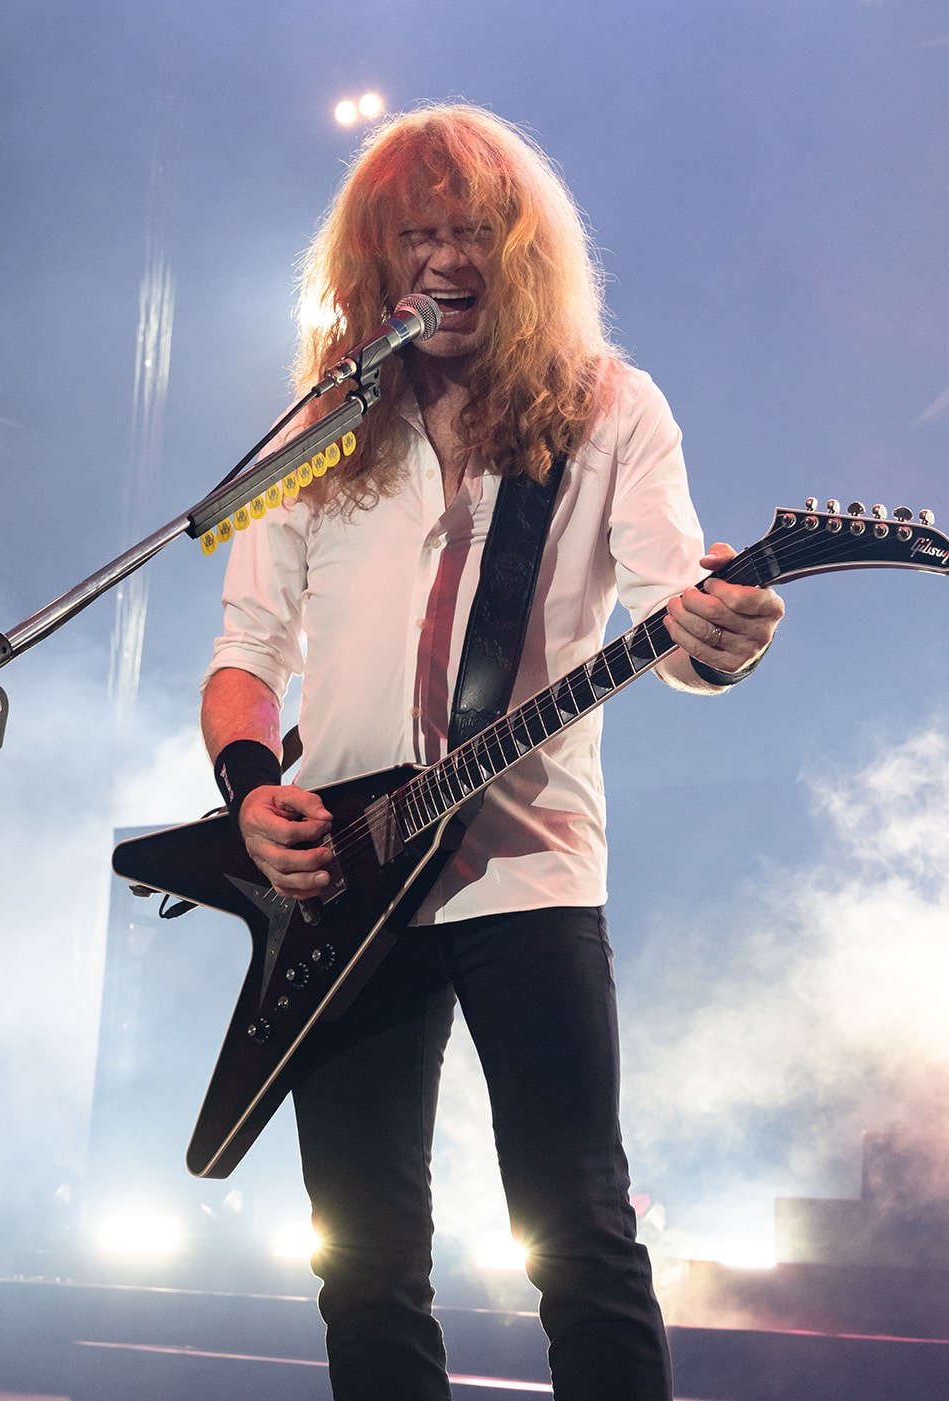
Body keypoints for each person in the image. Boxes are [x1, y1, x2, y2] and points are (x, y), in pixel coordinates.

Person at [200, 105, 783, 1401]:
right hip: (342, 880)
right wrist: (251, 793)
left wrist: (724, 636)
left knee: (581, 1234)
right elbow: (246, 653)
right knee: (363, 1264)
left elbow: (673, 618)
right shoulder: (320, 422)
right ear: (375, 260)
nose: (446, 261)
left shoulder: (609, 407)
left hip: (528, 869)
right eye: (418, 237)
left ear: (521, 253)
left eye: (473, 234)